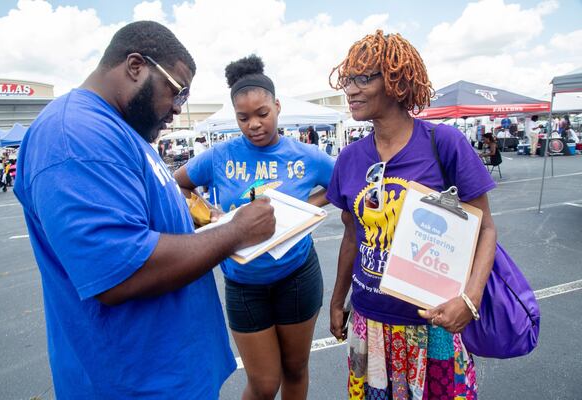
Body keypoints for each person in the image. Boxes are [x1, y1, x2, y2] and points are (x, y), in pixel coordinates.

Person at [13, 21, 276, 399]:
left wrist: (203, 218)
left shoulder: (118, 130)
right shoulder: (74, 135)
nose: (178, 107)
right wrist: (237, 232)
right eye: (177, 90)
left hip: (170, 373)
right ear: (135, 66)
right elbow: (120, 270)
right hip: (135, 384)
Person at [327, 30, 497, 399]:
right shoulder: (350, 158)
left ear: (398, 82)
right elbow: (352, 235)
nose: (350, 90)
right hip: (369, 322)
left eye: (363, 78)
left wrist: (469, 300)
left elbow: (485, 229)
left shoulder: (444, 143)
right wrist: (337, 300)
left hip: (434, 323)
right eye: (348, 80)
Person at [175, 54, 335, 400]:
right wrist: (209, 214)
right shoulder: (219, 156)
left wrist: (308, 206)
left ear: (277, 106)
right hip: (244, 283)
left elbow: (342, 183)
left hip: (297, 276)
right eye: (243, 118)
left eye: (262, 113)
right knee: (263, 384)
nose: (254, 125)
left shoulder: (306, 155)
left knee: (295, 370)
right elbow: (178, 184)